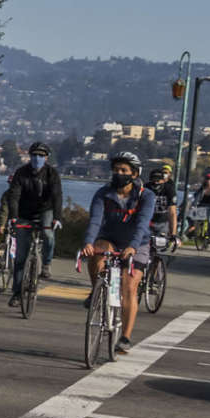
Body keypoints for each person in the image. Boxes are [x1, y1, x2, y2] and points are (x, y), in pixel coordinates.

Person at [80, 151, 156, 357]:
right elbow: (95, 220)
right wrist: (88, 242)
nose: (118, 174)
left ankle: (125, 338)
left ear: (135, 173)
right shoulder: (103, 193)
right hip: (110, 238)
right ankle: (96, 289)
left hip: (137, 243)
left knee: (129, 285)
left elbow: (142, 224)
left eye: (124, 170)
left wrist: (132, 246)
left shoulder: (146, 196)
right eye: (115, 170)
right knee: (96, 253)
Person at [0, 142, 63, 301]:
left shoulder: (52, 174)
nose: (37, 158)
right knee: (20, 256)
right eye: (34, 155)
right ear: (29, 156)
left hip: (46, 210)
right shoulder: (21, 173)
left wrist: (57, 217)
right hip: (24, 212)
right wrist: (13, 216)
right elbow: (14, 196)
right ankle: (16, 293)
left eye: (41, 155)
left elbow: (57, 196)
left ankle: (46, 264)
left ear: (46, 157)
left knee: (48, 233)